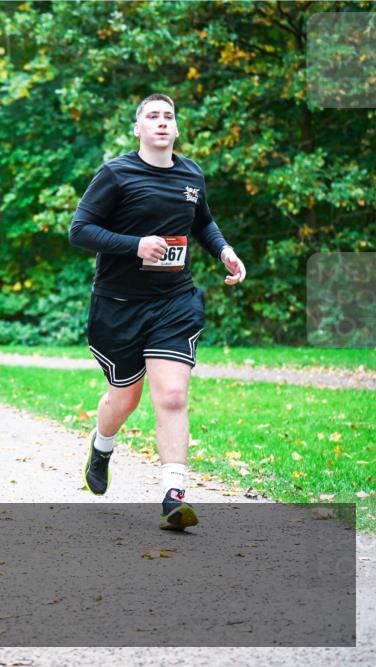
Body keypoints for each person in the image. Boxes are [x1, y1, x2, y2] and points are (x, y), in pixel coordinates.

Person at [68, 93, 247, 530]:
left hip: (174, 301)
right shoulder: (116, 173)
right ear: (139, 128)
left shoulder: (191, 174)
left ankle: (174, 496)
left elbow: (201, 221)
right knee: (125, 397)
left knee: (171, 395)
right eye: (153, 116)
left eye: (169, 116)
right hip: (119, 305)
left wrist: (223, 250)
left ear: (177, 127)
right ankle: (102, 444)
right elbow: (80, 230)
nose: (162, 122)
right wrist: (135, 246)